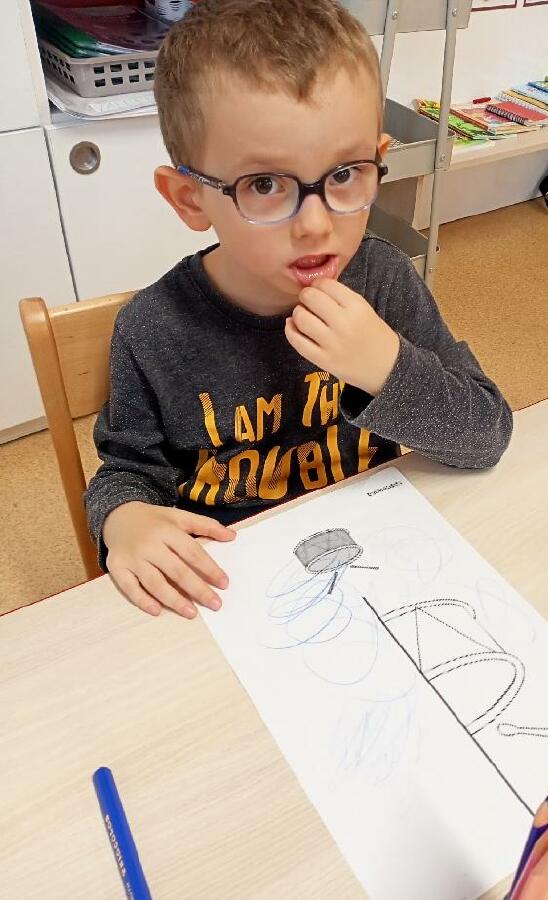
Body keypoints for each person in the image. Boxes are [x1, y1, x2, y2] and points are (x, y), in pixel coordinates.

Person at [85, 0, 513, 621]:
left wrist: (387, 368)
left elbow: (485, 436)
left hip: (380, 559)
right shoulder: (152, 328)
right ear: (190, 199)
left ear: (378, 158)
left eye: (344, 174)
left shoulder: (384, 281)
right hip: (232, 588)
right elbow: (127, 471)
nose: (316, 225)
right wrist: (123, 520)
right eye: (264, 185)